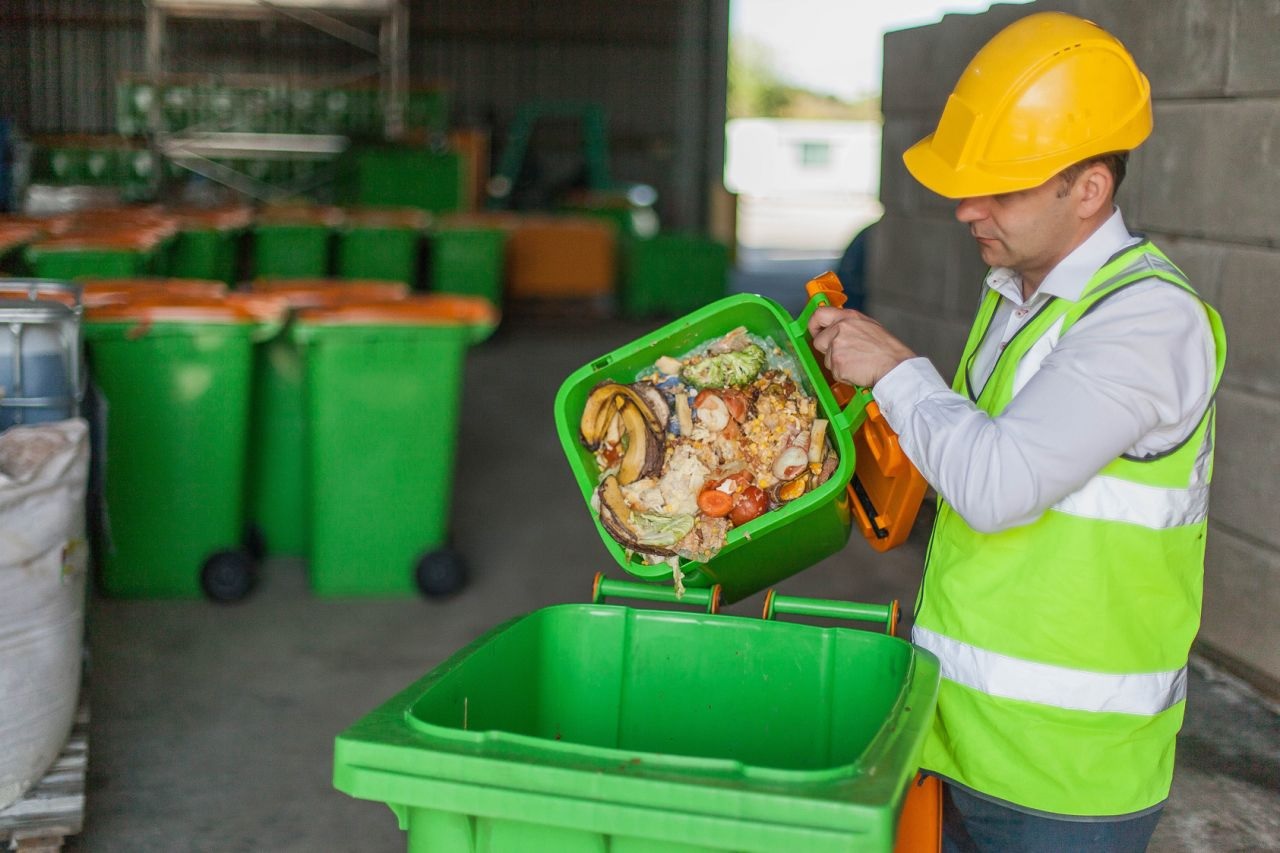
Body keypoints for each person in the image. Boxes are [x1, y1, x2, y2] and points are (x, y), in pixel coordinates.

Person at [809, 12, 1226, 852]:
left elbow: (997, 487)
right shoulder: (1018, 293)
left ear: (1088, 190)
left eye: (1000, 188)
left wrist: (894, 369)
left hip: (1062, 780)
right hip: (959, 735)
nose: (967, 209)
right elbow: (969, 452)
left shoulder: (1147, 321)